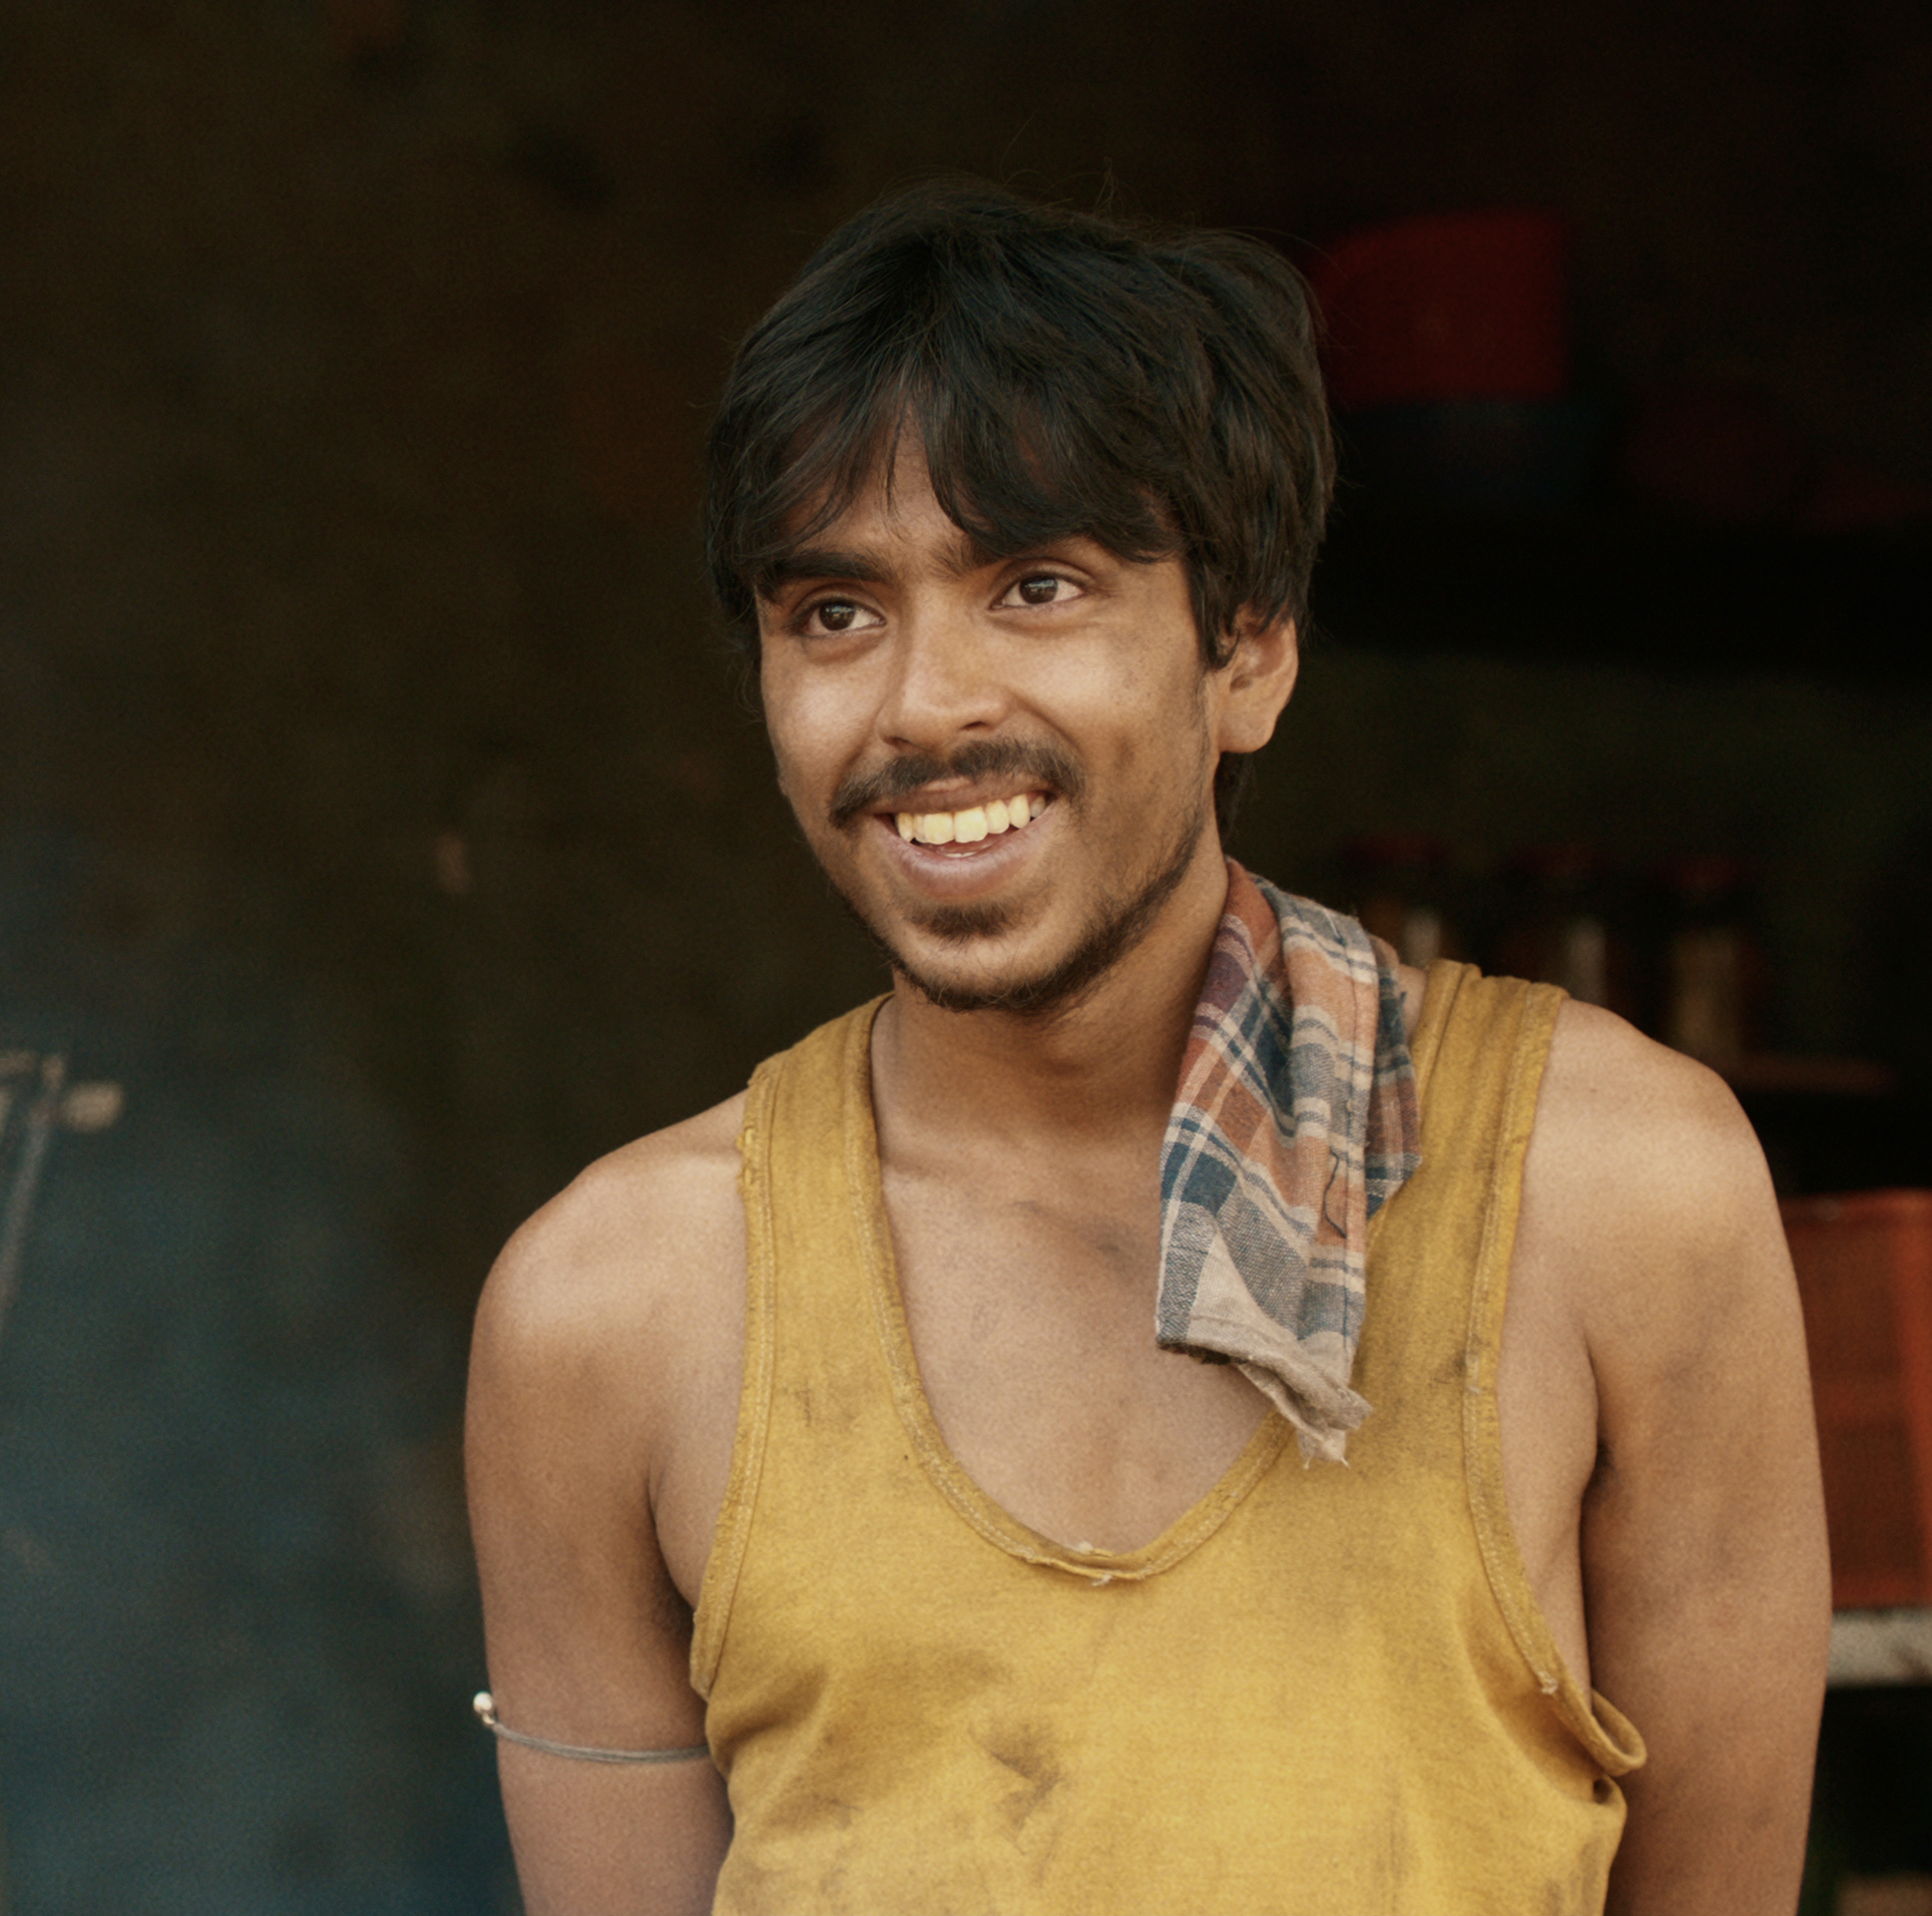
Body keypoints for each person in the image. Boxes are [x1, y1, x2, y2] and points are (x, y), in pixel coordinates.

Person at [464, 181, 1829, 1915]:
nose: (925, 704)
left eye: (1037, 585)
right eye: (834, 612)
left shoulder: (1616, 1192)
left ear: (1246, 653)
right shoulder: (610, 1311)